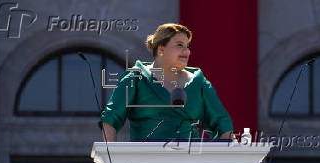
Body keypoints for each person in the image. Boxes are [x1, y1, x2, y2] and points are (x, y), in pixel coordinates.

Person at [99, 23, 234, 142]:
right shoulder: (135, 78)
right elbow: (110, 118)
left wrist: (225, 158)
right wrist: (112, 160)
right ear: (161, 49)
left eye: (188, 46)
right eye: (179, 45)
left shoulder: (200, 82)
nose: (186, 51)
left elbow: (222, 123)